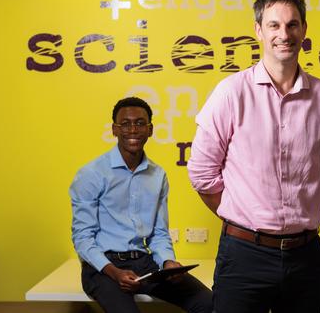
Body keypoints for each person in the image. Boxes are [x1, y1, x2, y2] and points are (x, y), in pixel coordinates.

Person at [187, 0, 320, 313]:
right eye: (274, 25)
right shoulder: (231, 92)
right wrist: (243, 212)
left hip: (306, 254)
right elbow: (202, 174)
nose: (283, 34)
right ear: (258, 30)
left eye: (292, 25)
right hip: (244, 254)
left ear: (304, 29)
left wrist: (304, 207)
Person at [70, 97, 213, 313]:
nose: (133, 130)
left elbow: (159, 233)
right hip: (102, 267)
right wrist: (114, 272)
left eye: (139, 123)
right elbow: (82, 237)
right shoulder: (91, 174)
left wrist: (167, 263)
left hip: (143, 263)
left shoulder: (158, 175)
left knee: (209, 303)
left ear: (150, 129)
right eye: (125, 124)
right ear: (114, 130)